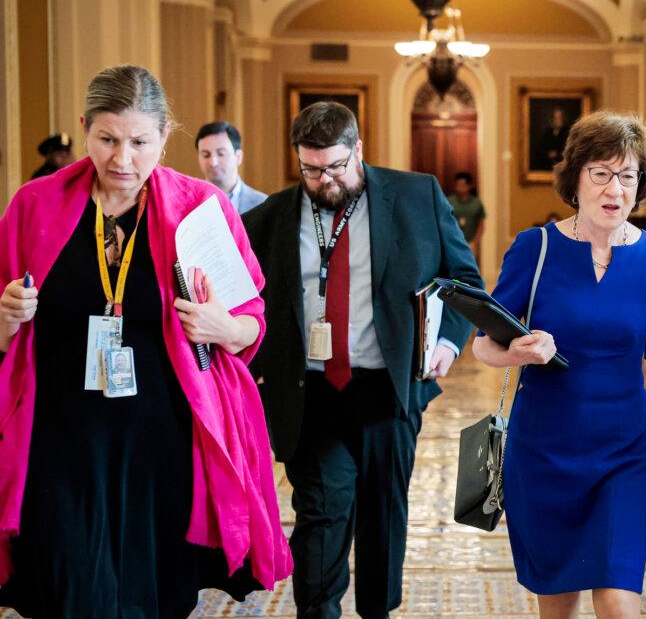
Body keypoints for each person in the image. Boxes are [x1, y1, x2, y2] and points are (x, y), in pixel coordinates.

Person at [0, 65, 291, 618]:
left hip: (164, 441)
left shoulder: (201, 211)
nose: (122, 160)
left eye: (139, 142)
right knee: (69, 589)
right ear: (84, 128)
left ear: (164, 135)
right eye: (107, 139)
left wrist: (221, 327)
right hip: (60, 440)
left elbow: (253, 324)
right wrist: (7, 316)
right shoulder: (34, 206)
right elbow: (1, 333)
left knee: (149, 596)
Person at [242, 101, 482, 619]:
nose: (324, 180)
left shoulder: (418, 197)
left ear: (358, 151)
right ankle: (319, 611)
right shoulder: (267, 220)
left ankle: (378, 611)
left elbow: (465, 280)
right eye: (311, 169)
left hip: (388, 391)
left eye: (335, 166)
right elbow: (244, 302)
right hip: (310, 394)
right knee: (321, 516)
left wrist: (447, 343)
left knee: (383, 517)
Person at [473, 111, 646, 619]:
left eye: (628, 175)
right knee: (559, 609)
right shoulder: (536, 248)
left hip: (623, 452)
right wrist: (517, 353)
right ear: (577, 178)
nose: (615, 188)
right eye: (602, 173)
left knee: (617, 602)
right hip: (545, 451)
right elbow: (483, 344)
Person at [196, 120, 268, 213]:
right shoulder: (188, 202)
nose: (213, 162)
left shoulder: (262, 204)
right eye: (206, 155)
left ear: (238, 157)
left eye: (221, 154)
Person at [447, 171, 485, 256]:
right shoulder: (449, 201)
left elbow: (481, 224)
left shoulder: (477, 203)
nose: (460, 188)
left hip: (470, 243)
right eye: (458, 185)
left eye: (462, 185)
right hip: (453, 242)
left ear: (469, 186)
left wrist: (476, 241)